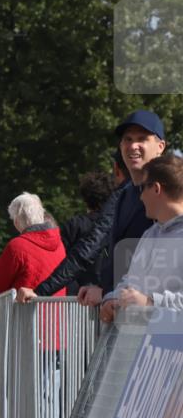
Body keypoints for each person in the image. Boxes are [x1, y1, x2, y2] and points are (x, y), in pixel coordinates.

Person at [18, 110, 166, 305]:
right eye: (127, 139)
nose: (133, 146)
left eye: (142, 139)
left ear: (160, 147)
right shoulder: (122, 194)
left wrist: (110, 292)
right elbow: (88, 247)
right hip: (123, 312)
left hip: (161, 315)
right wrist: (41, 291)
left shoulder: (172, 192)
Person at [99, 155, 183, 321]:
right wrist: (113, 299)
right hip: (143, 343)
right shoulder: (149, 234)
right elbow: (131, 281)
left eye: (142, 188)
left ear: (157, 189)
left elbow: (144, 299)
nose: (140, 196)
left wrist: (149, 302)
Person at [0, 193, 67, 300]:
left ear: (16, 221)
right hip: (57, 313)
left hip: (27, 313)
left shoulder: (17, 246)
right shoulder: (60, 244)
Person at [59, 172, 120, 295]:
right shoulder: (119, 225)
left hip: (76, 298)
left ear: (85, 198)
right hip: (109, 293)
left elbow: (61, 262)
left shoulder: (73, 225)